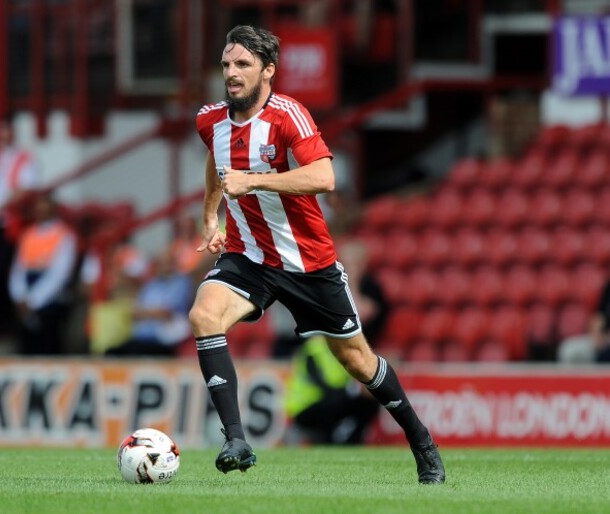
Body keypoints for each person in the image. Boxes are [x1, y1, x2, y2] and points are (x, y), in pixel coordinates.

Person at [188, 25, 445, 484]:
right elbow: (216, 160)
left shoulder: (289, 115)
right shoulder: (210, 120)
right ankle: (236, 439)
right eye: (227, 64)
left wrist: (255, 180)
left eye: (243, 64)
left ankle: (421, 441)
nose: (231, 73)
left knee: (357, 361)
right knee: (204, 315)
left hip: (307, 263)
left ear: (268, 70)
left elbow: (324, 176)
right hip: (249, 257)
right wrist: (212, 217)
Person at [0, 115, 41, 336]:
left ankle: (6, 325)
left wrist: (4, 205)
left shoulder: (25, 159)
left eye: (5, 130)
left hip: (12, 226)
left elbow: (26, 188)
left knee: (6, 274)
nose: (1, 135)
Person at [8, 192, 77, 354]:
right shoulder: (28, 234)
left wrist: (33, 300)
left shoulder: (64, 235)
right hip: (28, 292)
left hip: (49, 298)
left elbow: (60, 274)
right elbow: (18, 268)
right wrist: (20, 296)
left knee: (48, 345)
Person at [105, 247, 193, 357]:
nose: (164, 266)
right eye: (161, 263)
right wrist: (153, 313)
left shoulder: (181, 282)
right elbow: (134, 313)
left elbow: (165, 312)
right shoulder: (152, 284)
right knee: (111, 353)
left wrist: (147, 313)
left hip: (164, 340)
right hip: (141, 339)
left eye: (168, 263)